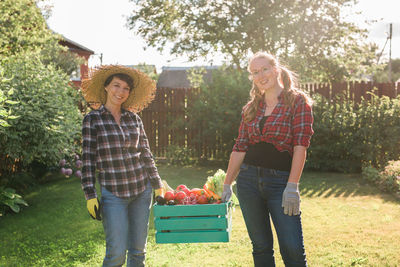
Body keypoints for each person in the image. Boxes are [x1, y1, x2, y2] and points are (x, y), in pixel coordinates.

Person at [221, 52, 314, 267]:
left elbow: (301, 145)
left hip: (280, 183)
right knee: (261, 247)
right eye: (255, 72)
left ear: (276, 69)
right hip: (248, 182)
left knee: (293, 249)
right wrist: (227, 184)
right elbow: (240, 147)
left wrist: (292, 185)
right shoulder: (251, 107)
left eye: (264, 69)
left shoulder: (297, 102)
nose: (261, 75)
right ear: (252, 77)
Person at [80, 65, 164, 267]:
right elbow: (88, 159)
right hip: (113, 194)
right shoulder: (92, 119)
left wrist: (157, 184)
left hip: (140, 191)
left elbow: (145, 154)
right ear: (106, 87)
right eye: (116, 85)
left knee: (138, 252)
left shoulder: (134, 119)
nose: (121, 92)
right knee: (116, 254)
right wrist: (90, 195)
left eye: (126, 88)